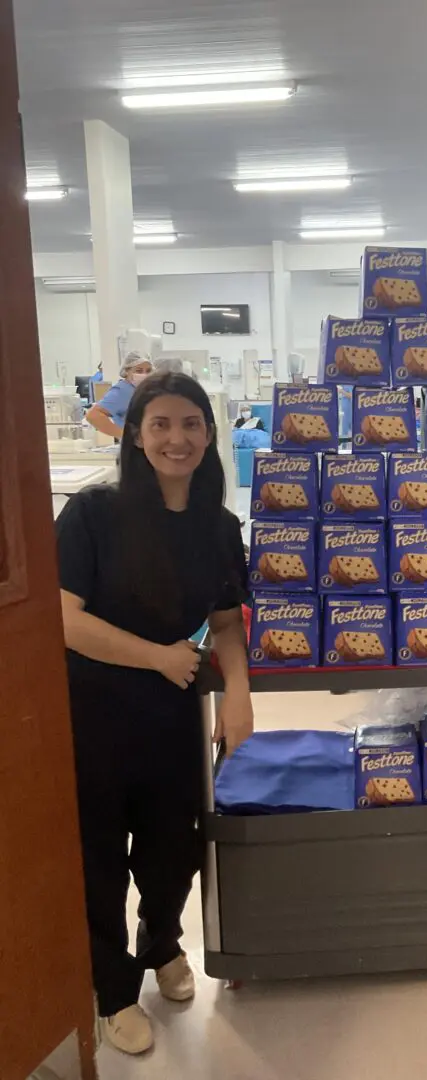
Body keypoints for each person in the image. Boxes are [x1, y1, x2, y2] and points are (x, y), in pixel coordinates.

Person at [56, 371, 254, 1056]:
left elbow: (225, 623)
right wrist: (158, 657)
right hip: (92, 713)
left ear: (209, 433)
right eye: (161, 424)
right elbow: (63, 619)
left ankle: (161, 942)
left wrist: (238, 692)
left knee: (174, 849)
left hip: (171, 714)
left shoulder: (218, 527)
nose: (177, 438)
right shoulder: (92, 515)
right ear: (136, 436)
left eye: (191, 424)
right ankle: (112, 991)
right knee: (100, 859)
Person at [85, 352, 154, 440]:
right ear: (127, 371)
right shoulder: (123, 391)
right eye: (139, 371)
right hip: (136, 444)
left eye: (148, 371)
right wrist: (124, 436)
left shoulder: (144, 390)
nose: (144, 374)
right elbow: (93, 415)